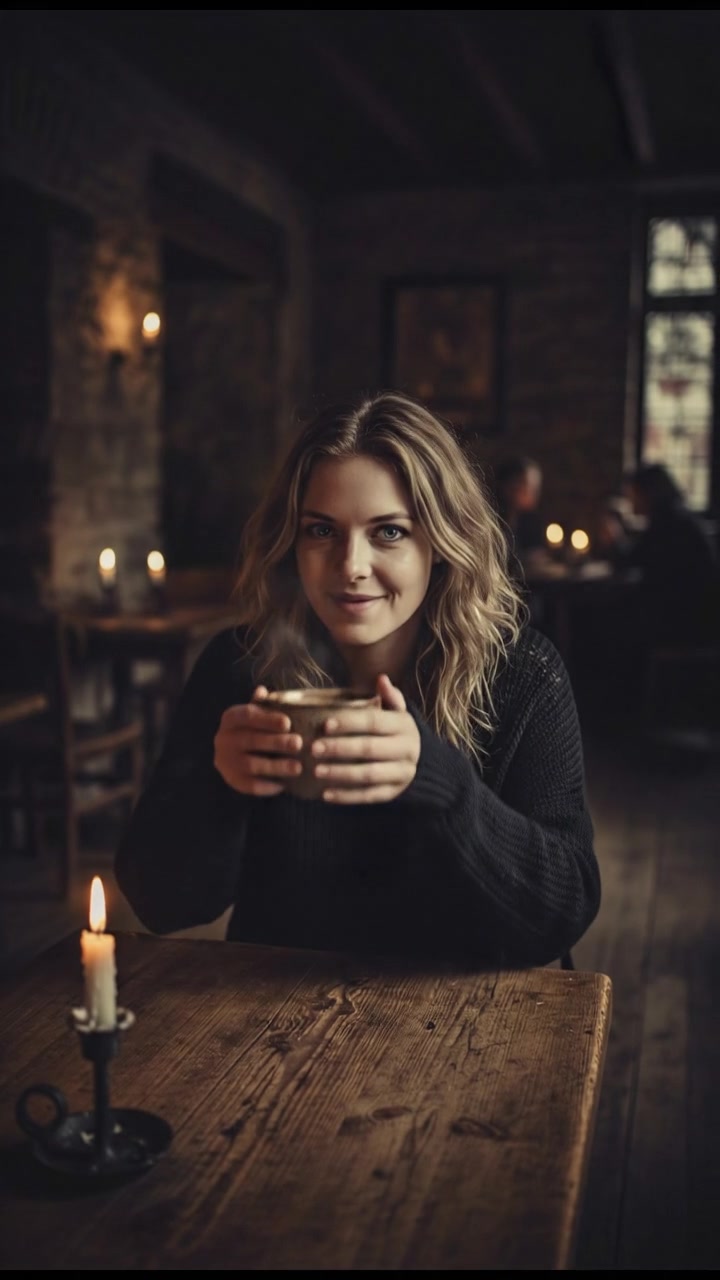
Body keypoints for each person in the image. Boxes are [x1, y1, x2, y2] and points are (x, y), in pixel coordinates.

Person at [114, 391, 600, 970]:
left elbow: (564, 908)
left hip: (469, 1024)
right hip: (270, 1021)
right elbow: (157, 902)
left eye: (388, 532)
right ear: (290, 541)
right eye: (321, 531)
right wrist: (220, 788)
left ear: (441, 544)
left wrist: (442, 785)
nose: (350, 565)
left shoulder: (521, 675)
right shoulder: (241, 666)